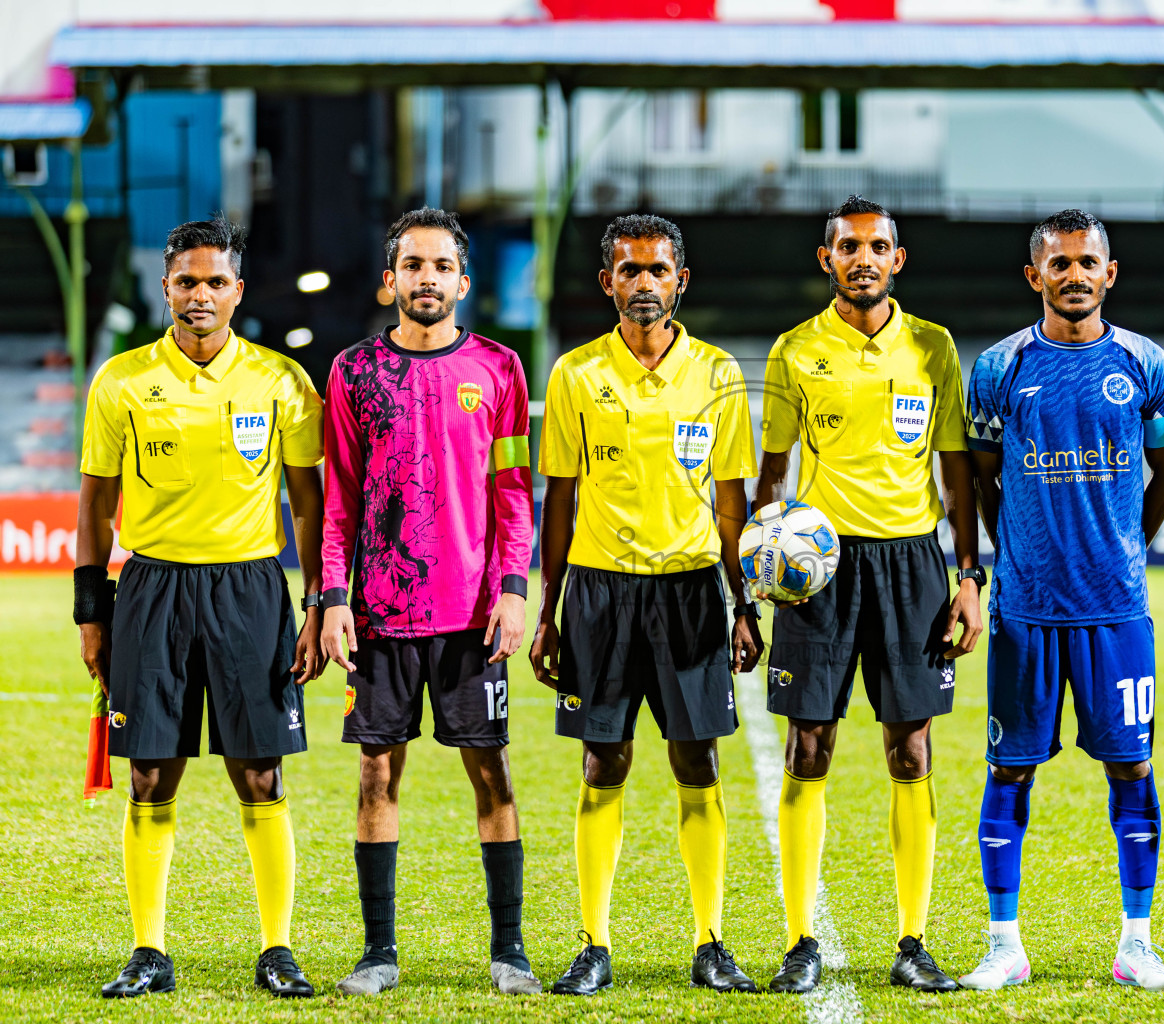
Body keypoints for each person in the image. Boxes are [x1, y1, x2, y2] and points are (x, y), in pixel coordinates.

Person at [77, 217, 325, 999]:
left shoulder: (282, 381)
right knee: (151, 774)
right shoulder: (121, 381)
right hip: (151, 589)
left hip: (250, 588)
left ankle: (277, 949)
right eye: (187, 281)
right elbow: (93, 505)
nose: (200, 295)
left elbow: (311, 508)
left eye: (216, 281)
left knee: (259, 773)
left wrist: (320, 602)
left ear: (237, 291)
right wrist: (92, 610)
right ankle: (149, 950)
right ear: (166, 288)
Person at [755, 195, 983, 994]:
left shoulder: (933, 346)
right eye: (849, 247)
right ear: (827, 259)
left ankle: (913, 940)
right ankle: (799, 941)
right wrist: (763, 560)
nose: (863, 258)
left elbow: (957, 470)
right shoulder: (793, 349)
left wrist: (968, 577)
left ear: (898, 259)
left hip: (914, 567)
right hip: (818, 572)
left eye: (877, 246)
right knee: (807, 745)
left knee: (910, 747)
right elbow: (772, 474)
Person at [529, 213, 762, 995]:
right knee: (605, 760)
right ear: (608, 283)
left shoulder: (720, 374)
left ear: (680, 281)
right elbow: (558, 498)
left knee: (697, 760)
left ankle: (710, 941)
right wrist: (549, 607)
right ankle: (594, 942)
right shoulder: (574, 375)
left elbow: (732, 500)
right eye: (628, 271)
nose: (643, 285)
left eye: (657, 271)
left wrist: (744, 604)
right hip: (599, 592)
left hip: (693, 587)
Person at [962, 209, 1164, 993]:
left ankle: (1137, 943)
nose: (1075, 275)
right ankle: (1003, 944)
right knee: (1010, 770)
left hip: (1116, 608)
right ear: (1036, 276)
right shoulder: (998, 368)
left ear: (1110, 272)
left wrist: (1129, 544)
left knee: (1133, 769)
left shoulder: (1147, 364)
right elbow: (979, 479)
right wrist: (1009, 549)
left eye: (1088, 261)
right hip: (1026, 610)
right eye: (1059, 264)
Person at [319, 208, 537, 997]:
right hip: (378, 613)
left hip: (471, 614)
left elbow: (514, 492)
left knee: (493, 775)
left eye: (441, 266)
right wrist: (333, 597)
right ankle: (379, 952)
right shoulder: (352, 372)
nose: (426, 278)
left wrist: (514, 591)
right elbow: (338, 494)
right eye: (413, 265)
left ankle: (509, 951)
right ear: (391, 280)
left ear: (463, 281)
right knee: (377, 774)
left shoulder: (501, 370)